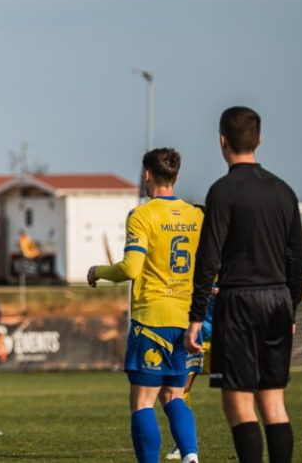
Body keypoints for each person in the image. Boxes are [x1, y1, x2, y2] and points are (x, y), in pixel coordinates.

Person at [186, 106, 302, 463]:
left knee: (239, 402)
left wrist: (196, 317)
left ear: (222, 141)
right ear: (259, 140)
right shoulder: (283, 191)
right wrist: (291, 307)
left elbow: (208, 259)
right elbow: (297, 258)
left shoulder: (223, 191)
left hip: (239, 301)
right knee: (273, 401)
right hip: (278, 299)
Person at [87, 148, 201, 463]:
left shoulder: (142, 215)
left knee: (142, 402)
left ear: (147, 175)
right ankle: (191, 457)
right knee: (174, 396)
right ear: (176, 175)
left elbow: (130, 268)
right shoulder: (196, 216)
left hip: (152, 320)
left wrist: (97, 271)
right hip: (187, 320)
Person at [166, 279, 218, 460]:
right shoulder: (193, 272)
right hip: (195, 339)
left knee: (239, 391)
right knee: (180, 389)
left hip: (224, 339)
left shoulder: (231, 270)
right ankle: (183, 445)